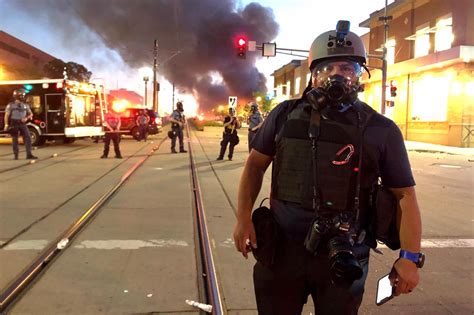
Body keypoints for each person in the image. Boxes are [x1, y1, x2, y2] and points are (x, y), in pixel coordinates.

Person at [233, 21, 423, 315]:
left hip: (345, 254)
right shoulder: (284, 115)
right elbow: (255, 165)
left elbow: (405, 197)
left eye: (347, 69)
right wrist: (243, 219)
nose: (337, 76)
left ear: (360, 75)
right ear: (313, 76)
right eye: (327, 69)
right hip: (281, 251)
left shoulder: (381, 129)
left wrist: (410, 257)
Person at [3, 89, 38, 160]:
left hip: (22, 123)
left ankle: (29, 154)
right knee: (15, 139)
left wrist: (26, 118)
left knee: (28, 137)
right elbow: (6, 115)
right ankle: (16, 155)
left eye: (23, 95)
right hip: (14, 123)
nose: (23, 97)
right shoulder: (11, 105)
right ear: (17, 96)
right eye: (21, 95)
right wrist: (6, 124)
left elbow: (31, 113)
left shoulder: (25, 105)